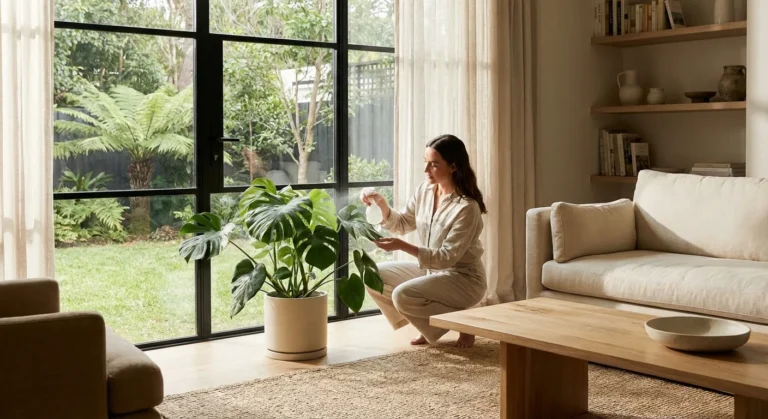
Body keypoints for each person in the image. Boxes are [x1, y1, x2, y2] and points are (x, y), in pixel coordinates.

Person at [360, 134, 487, 349]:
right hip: (431, 271)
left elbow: (446, 258)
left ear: (453, 166)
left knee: (402, 295)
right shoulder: (424, 191)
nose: (426, 170)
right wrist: (382, 205)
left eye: (434, 165)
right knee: (373, 274)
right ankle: (427, 325)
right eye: (425, 162)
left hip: (464, 278)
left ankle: (463, 322)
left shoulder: (467, 207)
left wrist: (402, 246)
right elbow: (402, 223)